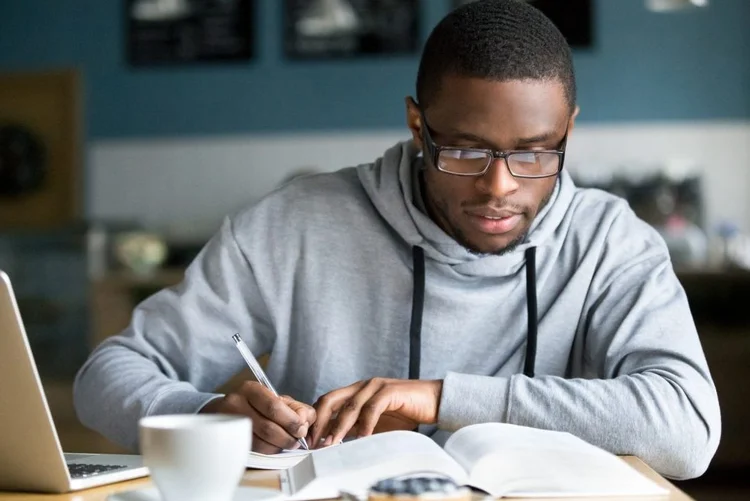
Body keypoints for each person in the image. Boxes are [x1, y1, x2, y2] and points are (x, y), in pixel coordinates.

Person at [74, 0, 720, 480]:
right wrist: (209, 410)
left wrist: (441, 396)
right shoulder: (294, 224)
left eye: (534, 152)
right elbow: (106, 375)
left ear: (568, 129)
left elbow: (687, 431)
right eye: (466, 149)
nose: (499, 186)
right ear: (419, 123)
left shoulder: (610, 241)